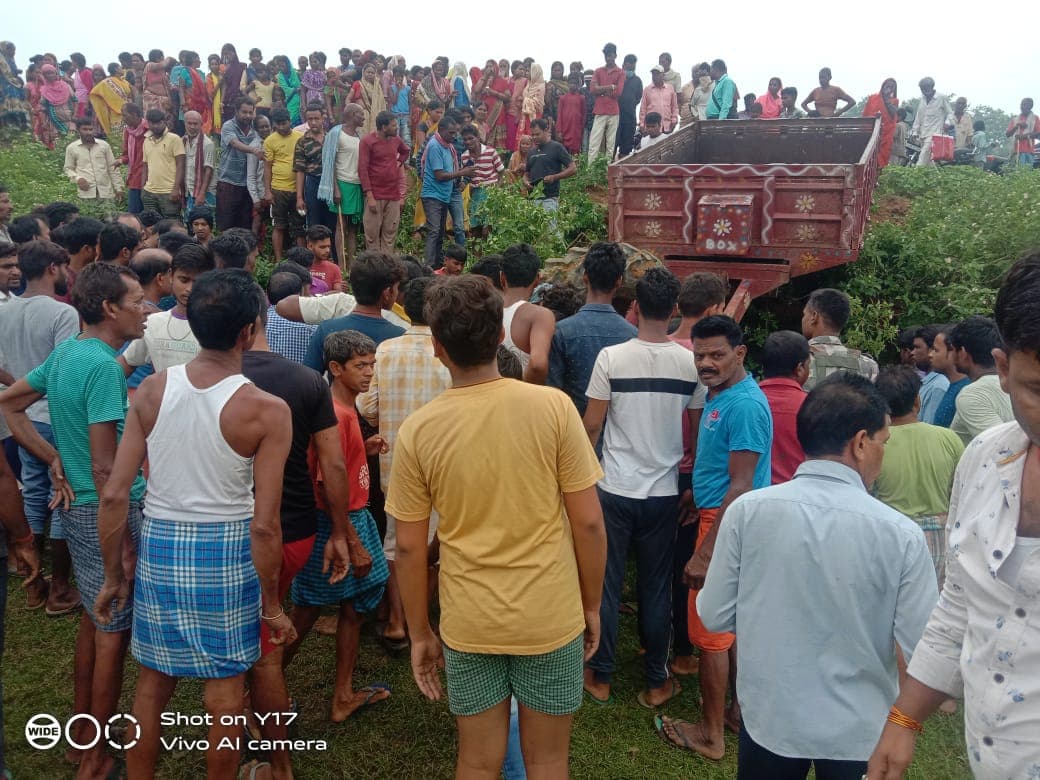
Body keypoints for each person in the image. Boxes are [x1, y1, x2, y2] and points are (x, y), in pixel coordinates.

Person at [386, 275, 607, 778]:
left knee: (478, 763)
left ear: (438, 348)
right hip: (550, 615)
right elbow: (589, 524)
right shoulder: (551, 407)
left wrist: (420, 632)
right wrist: (591, 604)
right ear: (499, 337)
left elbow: (409, 548)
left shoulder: (420, 430)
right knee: (549, 761)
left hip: (470, 622)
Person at [91, 269, 295, 779]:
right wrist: (271, 606)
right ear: (251, 329)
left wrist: (113, 575)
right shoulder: (267, 411)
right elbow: (266, 526)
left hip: (162, 541)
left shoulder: (152, 390)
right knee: (224, 695)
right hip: (227, 549)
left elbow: (116, 493)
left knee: (151, 687)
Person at [686, 373, 938, 778]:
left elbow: (714, 616)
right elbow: (924, 648)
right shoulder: (901, 535)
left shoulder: (748, 512)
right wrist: (906, 722)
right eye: (883, 442)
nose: (881, 454)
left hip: (770, 717)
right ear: (860, 442)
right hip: (857, 729)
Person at [866, 252, 1040, 780]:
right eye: (1039, 390)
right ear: (1004, 370)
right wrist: (904, 717)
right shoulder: (987, 457)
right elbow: (960, 602)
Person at [2, 262, 149, 780]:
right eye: (137, 301)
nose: (145, 311)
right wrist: (121, 553)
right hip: (108, 510)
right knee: (114, 624)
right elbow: (109, 467)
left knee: (93, 616)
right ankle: (96, 759)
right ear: (109, 308)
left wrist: (51, 456)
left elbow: (11, 403)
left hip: (80, 506)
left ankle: (82, 734)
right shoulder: (105, 367)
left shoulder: (67, 353)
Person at [581, 266, 696, 708]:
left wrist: (583, 481)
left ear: (634, 308)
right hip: (666, 491)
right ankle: (656, 679)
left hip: (614, 488)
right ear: (672, 311)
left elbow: (592, 426)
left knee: (607, 584)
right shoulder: (689, 363)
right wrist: (690, 485)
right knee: (656, 587)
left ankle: (601, 674)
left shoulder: (612, 358)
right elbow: (696, 433)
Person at [669, 314, 773, 761]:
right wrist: (695, 493)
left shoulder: (745, 405)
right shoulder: (720, 395)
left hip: (727, 523)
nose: (706, 363)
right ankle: (735, 713)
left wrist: (706, 553)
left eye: (716, 354)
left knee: (708, 630)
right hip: (714, 512)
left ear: (740, 353)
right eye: (699, 355)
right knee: (728, 627)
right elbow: (721, 468)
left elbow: (743, 485)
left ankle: (711, 734)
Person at [357, 276, 451, 651]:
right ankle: (424, 623)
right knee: (437, 547)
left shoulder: (386, 350)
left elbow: (368, 407)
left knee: (396, 545)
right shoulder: (447, 354)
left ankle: (398, 622)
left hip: (394, 464)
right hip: (444, 466)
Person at [0, 240, 80, 616]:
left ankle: (32, 580)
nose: (66, 274)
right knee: (64, 494)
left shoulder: (8, 310)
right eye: (63, 266)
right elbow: (64, 371)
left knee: (34, 491)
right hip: (54, 416)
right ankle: (61, 587)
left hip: (22, 417)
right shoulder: (61, 314)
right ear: (52, 268)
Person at [873, 366, 964, 588]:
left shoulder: (873, 444)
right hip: (942, 540)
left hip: (890, 535)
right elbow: (961, 491)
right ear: (917, 401)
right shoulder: (948, 438)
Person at [548, 241, 636, 415]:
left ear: (585, 277)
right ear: (619, 282)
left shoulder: (561, 332)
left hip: (572, 436)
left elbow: (552, 396)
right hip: (619, 439)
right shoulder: (633, 336)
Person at [119, 243, 214, 375]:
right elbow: (123, 366)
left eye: (197, 282)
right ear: (171, 276)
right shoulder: (153, 323)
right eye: (184, 280)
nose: (189, 289)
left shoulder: (217, 326)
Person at [303, 251, 406, 373]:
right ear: (387, 293)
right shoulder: (401, 337)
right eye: (396, 288)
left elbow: (309, 379)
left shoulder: (326, 329)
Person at [948, 315, 1014, 444]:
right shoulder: (1018, 384)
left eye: (952, 350)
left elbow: (1001, 447)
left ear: (962, 353)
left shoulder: (972, 394)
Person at [418, 114, 472, 270]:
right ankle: (427, 267)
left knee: (439, 233)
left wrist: (462, 176)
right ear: (441, 130)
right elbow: (439, 175)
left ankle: (435, 266)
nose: (454, 136)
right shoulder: (435, 145)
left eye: (455, 133)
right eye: (451, 133)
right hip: (433, 195)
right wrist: (463, 173)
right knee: (434, 232)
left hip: (443, 195)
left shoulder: (448, 146)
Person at [499, 243, 556, 384]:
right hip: (519, 399)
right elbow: (537, 365)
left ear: (502, 277)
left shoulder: (483, 309)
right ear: (537, 278)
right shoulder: (538, 316)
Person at [801, 287, 879, 390]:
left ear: (814, 316)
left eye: (804, 314)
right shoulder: (869, 366)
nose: (803, 319)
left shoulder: (797, 362)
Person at [758, 330, 810, 484]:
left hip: (747, 499)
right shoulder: (813, 407)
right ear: (800, 368)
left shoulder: (743, 402)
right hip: (798, 498)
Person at [319, 103, 366, 266]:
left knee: (353, 227)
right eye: (361, 114)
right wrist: (335, 188)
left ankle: (351, 265)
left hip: (356, 185)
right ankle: (341, 264)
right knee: (341, 225)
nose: (364, 117)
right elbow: (329, 162)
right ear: (353, 114)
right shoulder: (336, 133)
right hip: (342, 183)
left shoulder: (359, 136)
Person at [360, 111, 409, 254]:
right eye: (393, 125)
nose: (397, 128)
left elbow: (405, 151)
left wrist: (399, 162)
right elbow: (362, 169)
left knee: (389, 235)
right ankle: (374, 268)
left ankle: (387, 266)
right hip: (375, 195)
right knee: (372, 236)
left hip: (393, 195)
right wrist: (369, 196)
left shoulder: (396, 140)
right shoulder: (367, 141)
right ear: (383, 127)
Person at [263, 107, 304, 261]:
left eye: (284, 123)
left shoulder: (300, 137)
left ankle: (302, 261)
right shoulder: (270, 141)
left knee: (299, 227)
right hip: (278, 189)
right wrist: (267, 191)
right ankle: (279, 260)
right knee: (279, 225)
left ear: (290, 121)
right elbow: (267, 167)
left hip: (298, 190)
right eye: (278, 124)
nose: (281, 127)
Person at [218, 96, 262, 231]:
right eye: (244, 112)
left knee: (244, 224)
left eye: (250, 112)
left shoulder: (255, 129)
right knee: (226, 224)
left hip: (247, 184)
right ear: (236, 111)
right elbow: (234, 143)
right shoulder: (228, 126)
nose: (247, 116)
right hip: (229, 182)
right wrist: (253, 150)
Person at [63, 117, 123, 208]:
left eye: (90, 129)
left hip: (106, 192)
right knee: (89, 219)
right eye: (85, 129)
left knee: (110, 220)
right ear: (78, 130)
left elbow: (113, 168)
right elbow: (68, 168)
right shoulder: (72, 148)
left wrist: (119, 188)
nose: (88, 132)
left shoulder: (104, 145)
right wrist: (78, 179)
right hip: (86, 193)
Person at [524, 118, 576, 215]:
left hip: (549, 198)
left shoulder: (557, 147)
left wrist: (554, 177)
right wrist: (526, 182)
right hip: (532, 199)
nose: (534, 137)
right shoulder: (531, 151)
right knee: (534, 229)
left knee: (549, 229)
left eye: (537, 134)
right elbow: (526, 173)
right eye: (533, 135)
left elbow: (573, 169)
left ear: (546, 130)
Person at [460, 123, 505, 236]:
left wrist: (497, 190)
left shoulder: (491, 152)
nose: (468, 142)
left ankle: (489, 253)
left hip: (491, 193)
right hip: (476, 194)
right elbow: (466, 178)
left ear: (478, 138)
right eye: (465, 139)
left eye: (471, 138)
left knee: (488, 230)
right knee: (475, 230)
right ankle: (477, 254)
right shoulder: (464, 157)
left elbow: (502, 172)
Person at [265, 269, 317, 364]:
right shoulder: (312, 327)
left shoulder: (256, 325)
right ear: (299, 295)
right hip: (301, 378)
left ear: (267, 294)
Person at [140, 109, 185, 219]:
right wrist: (143, 188)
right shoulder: (146, 141)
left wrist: (175, 189)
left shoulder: (174, 139)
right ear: (148, 123)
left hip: (168, 192)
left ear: (164, 122)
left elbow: (181, 165)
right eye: (152, 123)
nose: (156, 126)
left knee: (172, 225)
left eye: (159, 123)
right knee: (151, 226)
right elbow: (145, 165)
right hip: (149, 192)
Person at [587, 43, 625, 163]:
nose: (608, 58)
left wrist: (601, 90)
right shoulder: (598, 71)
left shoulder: (620, 72)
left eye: (610, 55)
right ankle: (590, 172)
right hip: (600, 110)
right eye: (606, 56)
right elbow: (592, 90)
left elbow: (618, 92)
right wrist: (610, 87)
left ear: (615, 55)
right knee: (594, 142)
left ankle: (606, 171)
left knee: (610, 144)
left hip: (614, 112)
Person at [930, 324, 970, 428]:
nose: (930, 354)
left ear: (953, 351)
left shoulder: (965, 391)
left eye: (936, 350)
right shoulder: (953, 386)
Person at [910, 325, 951, 424]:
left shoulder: (938, 386)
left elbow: (930, 427)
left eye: (917, 347)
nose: (912, 352)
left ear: (930, 349)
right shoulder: (928, 382)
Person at [910, 78, 953, 166]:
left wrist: (947, 123)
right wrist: (914, 131)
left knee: (922, 160)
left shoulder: (941, 98)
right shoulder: (922, 100)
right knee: (930, 162)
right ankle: (937, 178)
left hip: (935, 135)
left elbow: (950, 113)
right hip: (923, 135)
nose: (924, 91)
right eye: (922, 89)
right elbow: (919, 117)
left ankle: (915, 175)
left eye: (926, 88)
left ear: (931, 87)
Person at [182, 109, 215, 211]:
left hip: (203, 192)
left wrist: (201, 194)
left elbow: (208, 171)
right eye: (189, 123)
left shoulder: (207, 144)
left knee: (201, 223)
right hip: (188, 190)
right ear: (185, 123)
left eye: (195, 124)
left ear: (201, 124)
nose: (192, 127)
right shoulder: (182, 141)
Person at [88, 63, 132, 136]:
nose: (122, 69)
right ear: (116, 69)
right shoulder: (107, 82)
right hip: (115, 113)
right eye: (120, 67)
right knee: (117, 136)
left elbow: (130, 95)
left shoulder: (125, 82)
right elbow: (94, 92)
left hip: (128, 111)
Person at [38, 64, 75, 150]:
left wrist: (75, 116)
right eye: (47, 73)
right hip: (54, 121)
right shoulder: (44, 90)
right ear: (44, 75)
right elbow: (43, 107)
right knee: (58, 145)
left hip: (69, 119)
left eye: (52, 73)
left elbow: (75, 101)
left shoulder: (66, 86)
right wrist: (44, 122)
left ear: (56, 73)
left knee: (72, 143)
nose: (50, 75)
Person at [863, 78, 900, 165]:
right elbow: (865, 115)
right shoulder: (872, 98)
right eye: (887, 86)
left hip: (885, 135)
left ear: (894, 90)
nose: (888, 88)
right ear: (882, 86)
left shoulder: (894, 101)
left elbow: (893, 114)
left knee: (881, 159)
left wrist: (887, 99)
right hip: (870, 132)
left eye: (891, 87)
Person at [120, 103, 147, 213]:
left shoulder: (150, 129)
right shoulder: (128, 132)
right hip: (135, 179)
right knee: (134, 214)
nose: (123, 119)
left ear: (135, 114)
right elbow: (126, 155)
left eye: (125, 115)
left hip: (150, 180)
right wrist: (121, 160)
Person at [615, 55, 643, 158]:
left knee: (626, 149)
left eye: (633, 66)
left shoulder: (637, 81)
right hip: (615, 118)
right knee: (611, 147)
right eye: (629, 66)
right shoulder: (616, 78)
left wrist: (629, 104)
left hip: (630, 119)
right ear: (623, 65)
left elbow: (638, 98)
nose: (631, 68)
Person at [641, 66, 679, 134]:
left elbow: (674, 107)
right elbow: (643, 109)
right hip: (652, 128)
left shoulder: (670, 88)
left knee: (667, 145)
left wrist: (674, 120)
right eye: (653, 74)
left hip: (667, 126)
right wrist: (642, 124)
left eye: (657, 74)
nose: (655, 76)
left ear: (663, 75)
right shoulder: (647, 89)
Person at [556, 73, 586, 154]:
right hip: (565, 129)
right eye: (571, 83)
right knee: (564, 151)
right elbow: (559, 115)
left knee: (576, 152)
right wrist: (559, 131)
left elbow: (583, 115)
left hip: (576, 130)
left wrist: (581, 128)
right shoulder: (562, 98)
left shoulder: (581, 98)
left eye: (575, 83)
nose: (573, 85)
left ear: (578, 85)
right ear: (568, 84)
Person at [1006, 98, 1040, 166]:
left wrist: (1023, 136)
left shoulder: (1035, 118)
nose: (1022, 106)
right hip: (1015, 151)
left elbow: (1038, 133)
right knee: (1014, 172)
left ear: (1030, 106)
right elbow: (1008, 134)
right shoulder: (1015, 119)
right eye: (1021, 104)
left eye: (1024, 104)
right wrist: (1016, 126)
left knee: (1025, 173)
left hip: (1028, 151)